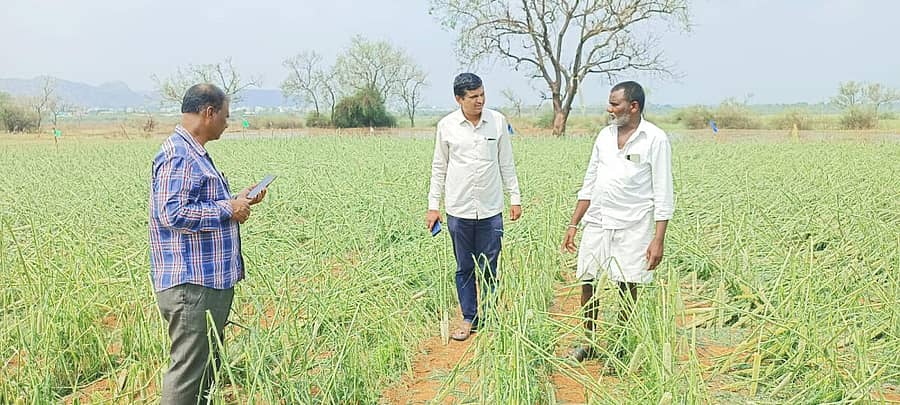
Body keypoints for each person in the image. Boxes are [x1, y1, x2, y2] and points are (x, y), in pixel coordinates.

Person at [149, 83, 267, 404]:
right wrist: (229, 207)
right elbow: (172, 212)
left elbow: (198, 204)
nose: (227, 123)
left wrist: (238, 201)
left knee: (205, 372)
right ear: (208, 113)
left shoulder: (193, 154)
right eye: (225, 116)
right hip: (191, 286)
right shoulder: (180, 155)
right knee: (188, 374)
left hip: (205, 282)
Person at [561, 81, 674, 361]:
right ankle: (589, 341)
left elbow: (663, 191)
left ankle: (622, 344)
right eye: (610, 103)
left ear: (633, 107)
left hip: (633, 225)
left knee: (627, 283)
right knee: (588, 279)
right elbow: (589, 182)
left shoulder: (655, 139)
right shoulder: (603, 136)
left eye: (615, 104)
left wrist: (658, 239)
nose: (609, 108)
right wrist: (574, 223)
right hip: (597, 221)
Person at [426, 73, 522, 341]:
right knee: (464, 267)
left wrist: (515, 198)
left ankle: (490, 316)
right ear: (459, 99)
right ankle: (469, 317)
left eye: (482, 94)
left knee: (491, 265)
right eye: (473, 97)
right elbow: (439, 168)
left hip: (491, 210)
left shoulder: (497, 122)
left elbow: (506, 163)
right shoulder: (446, 126)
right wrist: (433, 206)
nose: (480, 100)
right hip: (459, 210)